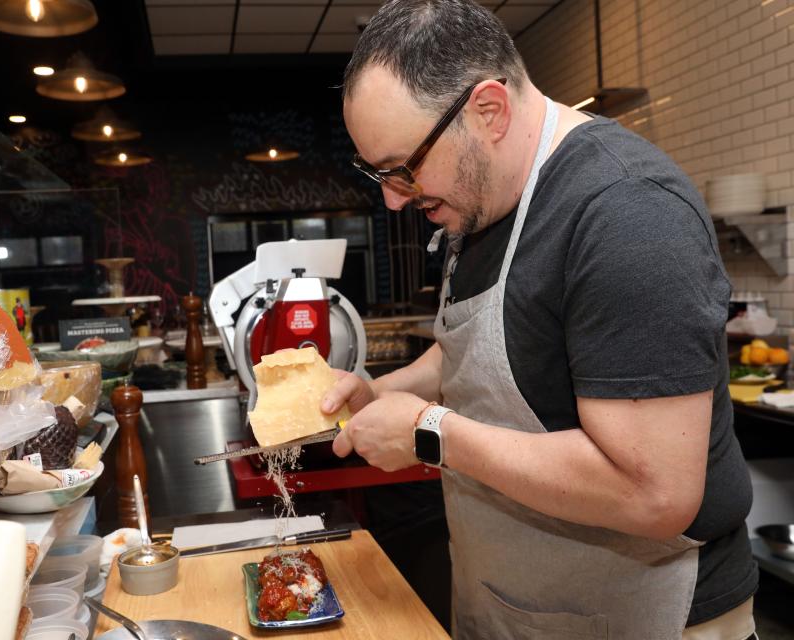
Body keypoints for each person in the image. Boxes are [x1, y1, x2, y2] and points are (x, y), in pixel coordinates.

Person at [323, 1, 757, 638]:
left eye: (403, 169)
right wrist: (383, 394)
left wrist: (428, 433)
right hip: (512, 604)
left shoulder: (627, 214)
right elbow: (473, 350)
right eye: (378, 173)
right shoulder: (481, 197)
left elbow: (655, 492)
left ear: (488, 111)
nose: (392, 199)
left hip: (644, 616)